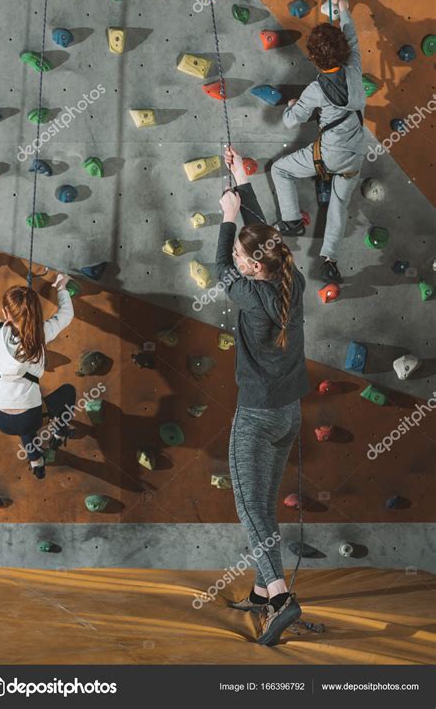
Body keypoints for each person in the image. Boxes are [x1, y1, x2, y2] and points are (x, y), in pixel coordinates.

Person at [216, 146, 310, 647]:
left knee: (250, 508)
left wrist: (227, 220)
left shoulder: (249, 294)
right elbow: (265, 239)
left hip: (256, 416)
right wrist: (240, 180)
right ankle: (259, 587)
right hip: (288, 414)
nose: (234, 259)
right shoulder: (290, 278)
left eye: (240, 258)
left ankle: (279, 596)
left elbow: (218, 267)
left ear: (253, 268)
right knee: (264, 505)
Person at [271, 0, 366, 284]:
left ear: (313, 60)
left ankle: (292, 221)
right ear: (343, 54)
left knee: (280, 169)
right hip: (354, 156)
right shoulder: (354, 68)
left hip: (327, 155)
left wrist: (292, 106)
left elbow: (290, 121)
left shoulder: (315, 90)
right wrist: (343, 9)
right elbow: (351, 36)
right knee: (338, 205)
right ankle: (329, 259)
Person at [0, 253, 76, 479]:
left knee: (25, 427)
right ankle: (59, 434)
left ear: (6, 315)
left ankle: (36, 462)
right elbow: (66, 315)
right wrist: (61, 288)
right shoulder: (41, 335)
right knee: (68, 392)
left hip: (2, 419)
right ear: (36, 314)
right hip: (27, 416)